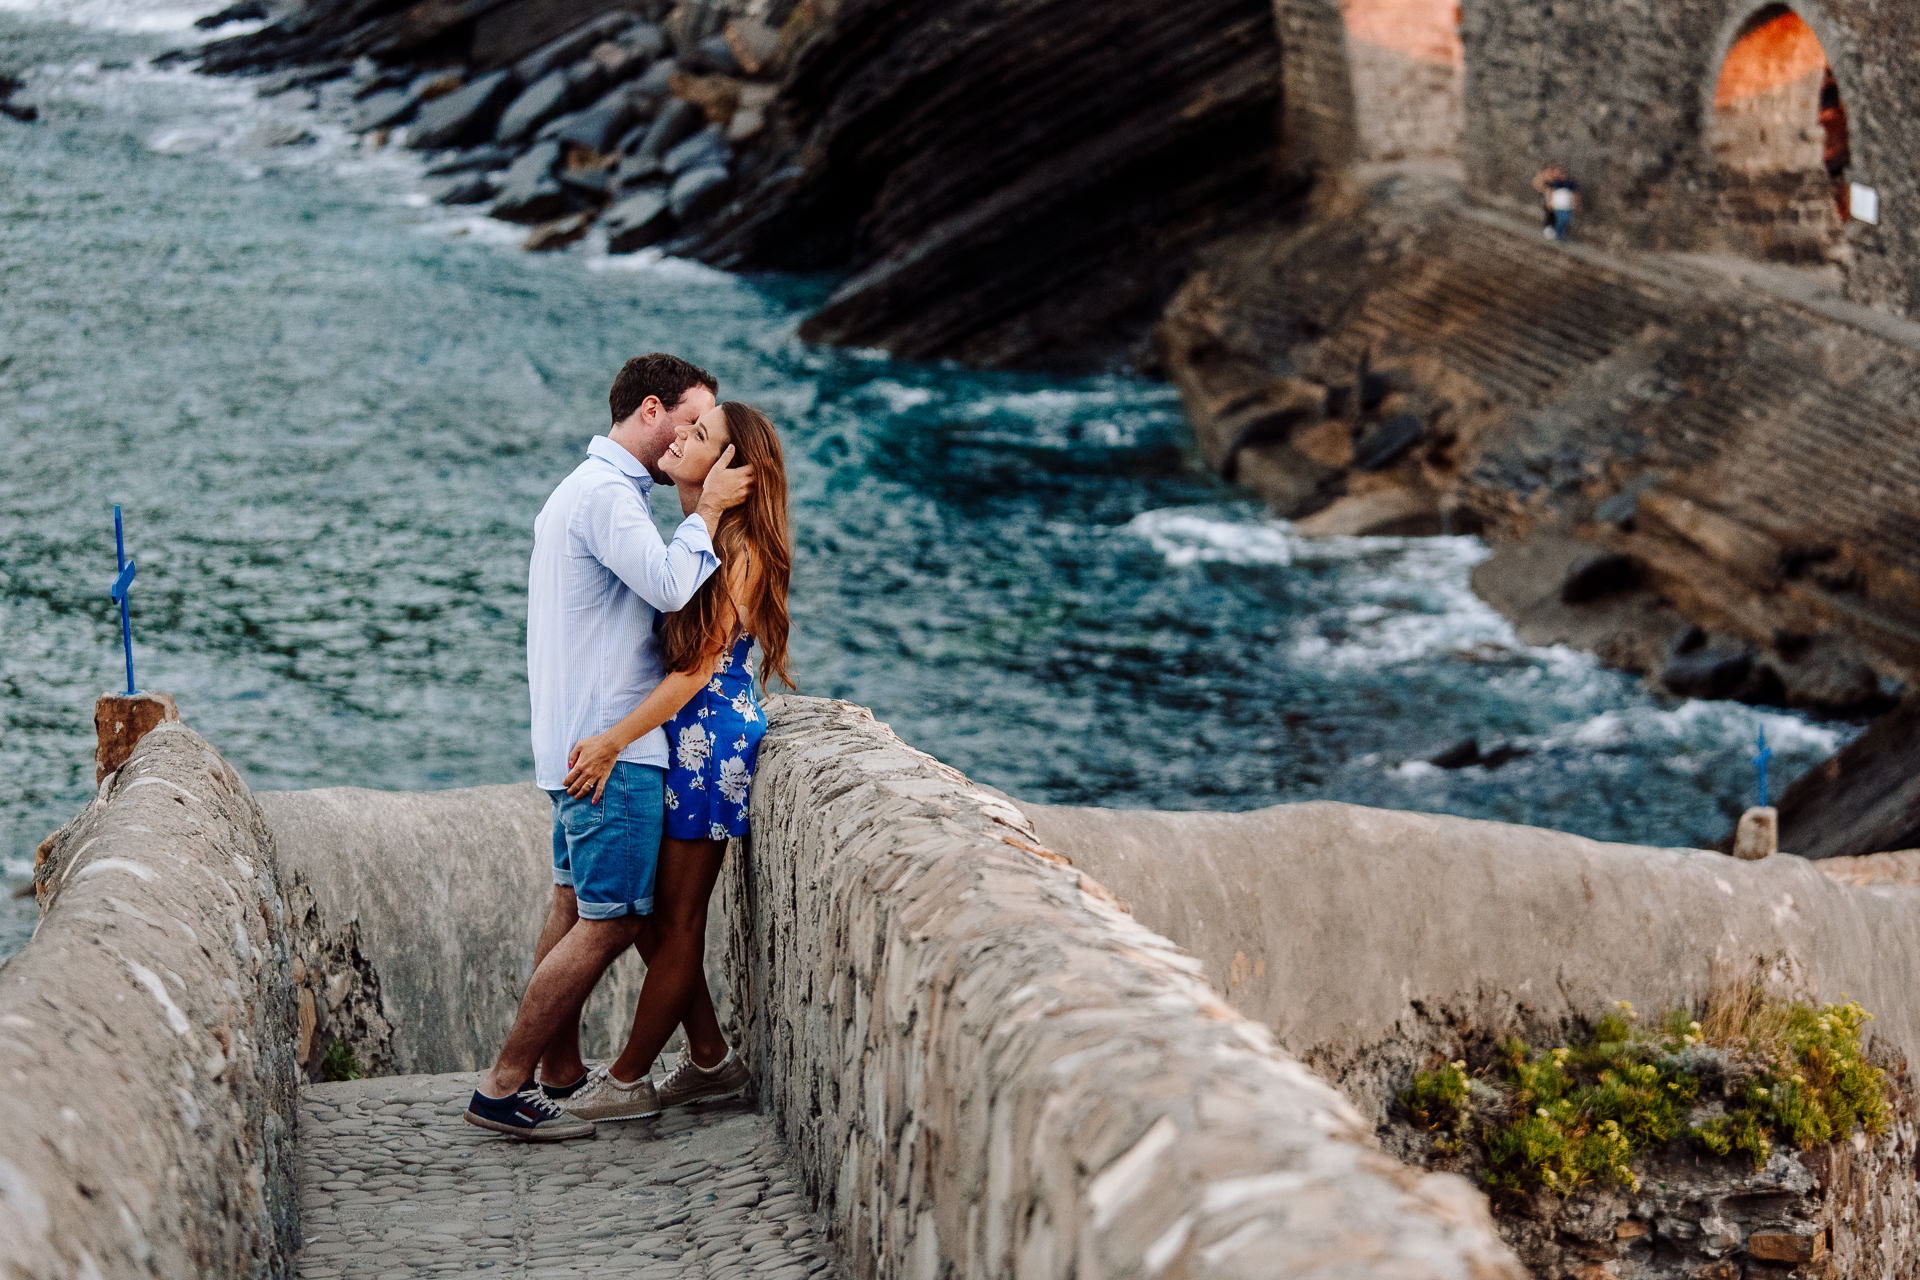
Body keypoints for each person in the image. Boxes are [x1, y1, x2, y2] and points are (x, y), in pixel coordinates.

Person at [463, 354, 754, 1141]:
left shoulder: (581, 493)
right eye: (692, 424)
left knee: (573, 902)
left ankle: (557, 1070)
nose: (692, 441)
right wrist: (711, 510)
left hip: (574, 742)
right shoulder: (608, 499)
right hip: (612, 751)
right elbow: (668, 585)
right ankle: (502, 1087)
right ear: (652, 411)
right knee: (615, 920)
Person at [550, 400, 793, 1122]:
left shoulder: (742, 547)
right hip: (676, 739)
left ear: (731, 468)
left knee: (677, 922)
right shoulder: (695, 536)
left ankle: (628, 1080)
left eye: (701, 435)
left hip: (707, 742)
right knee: (654, 921)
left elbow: (694, 673)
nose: (679, 438)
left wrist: (613, 738)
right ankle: (712, 1059)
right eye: (687, 428)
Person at [1533, 164, 1577, 242]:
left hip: (1560, 203)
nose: (1558, 174)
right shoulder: (1548, 180)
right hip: (1551, 201)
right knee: (1550, 214)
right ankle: (1551, 230)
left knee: (1559, 217)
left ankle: (1557, 232)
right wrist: (1549, 201)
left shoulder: (1562, 182)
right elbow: (1543, 188)